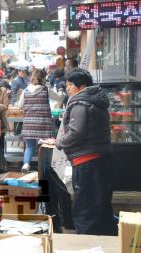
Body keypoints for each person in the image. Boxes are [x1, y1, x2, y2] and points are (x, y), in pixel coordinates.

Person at [56, 67, 117, 235]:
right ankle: (107, 244)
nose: (67, 88)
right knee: (101, 207)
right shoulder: (95, 100)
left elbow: (76, 132)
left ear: (81, 86)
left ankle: (90, 245)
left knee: (85, 209)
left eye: (69, 85)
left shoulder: (80, 103)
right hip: (101, 159)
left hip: (87, 162)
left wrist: (59, 142)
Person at [17, 69, 63, 172]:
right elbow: (59, 98)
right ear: (43, 78)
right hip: (43, 123)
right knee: (45, 146)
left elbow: (20, 106)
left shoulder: (26, 90)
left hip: (29, 123)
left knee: (29, 146)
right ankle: (44, 168)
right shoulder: (46, 90)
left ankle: (26, 164)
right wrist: (60, 90)